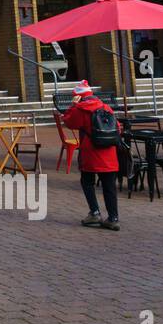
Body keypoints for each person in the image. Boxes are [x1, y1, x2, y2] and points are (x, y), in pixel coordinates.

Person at [62, 80, 121, 231]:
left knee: (87, 182)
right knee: (109, 187)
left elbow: (69, 122)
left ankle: (94, 212)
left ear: (79, 96)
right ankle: (113, 218)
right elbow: (118, 127)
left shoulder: (81, 109)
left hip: (91, 153)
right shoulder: (106, 107)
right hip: (109, 154)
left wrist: (73, 105)